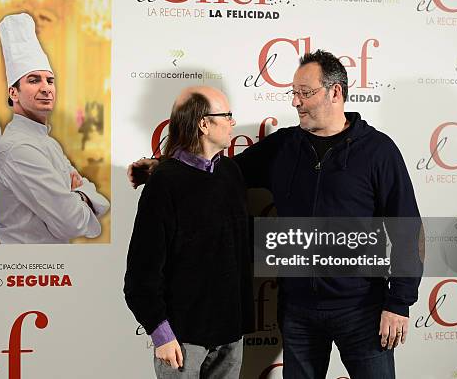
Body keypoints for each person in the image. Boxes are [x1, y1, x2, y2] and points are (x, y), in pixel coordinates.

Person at [128, 50, 422, 378]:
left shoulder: (379, 151)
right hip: (298, 314)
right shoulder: (283, 146)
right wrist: (162, 168)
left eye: (305, 93)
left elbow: (407, 229)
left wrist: (399, 301)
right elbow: (216, 173)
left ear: (335, 92)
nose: (296, 102)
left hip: (362, 310)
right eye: (293, 93)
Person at [124, 86, 254, 378]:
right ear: (204, 124)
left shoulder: (231, 173)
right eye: (227, 115)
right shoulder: (164, 183)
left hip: (230, 336)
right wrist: (161, 334)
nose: (233, 122)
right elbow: (141, 272)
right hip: (182, 340)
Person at [0, 13, 109, 244]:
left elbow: (101, 202)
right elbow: (71, 223)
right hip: (25, 267)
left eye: (50, 80)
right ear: (13, 93)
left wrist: (75, 195)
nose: (46, 88)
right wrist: (81, 194)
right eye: (34, 80)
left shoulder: (47, 141)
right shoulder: (18, 148)